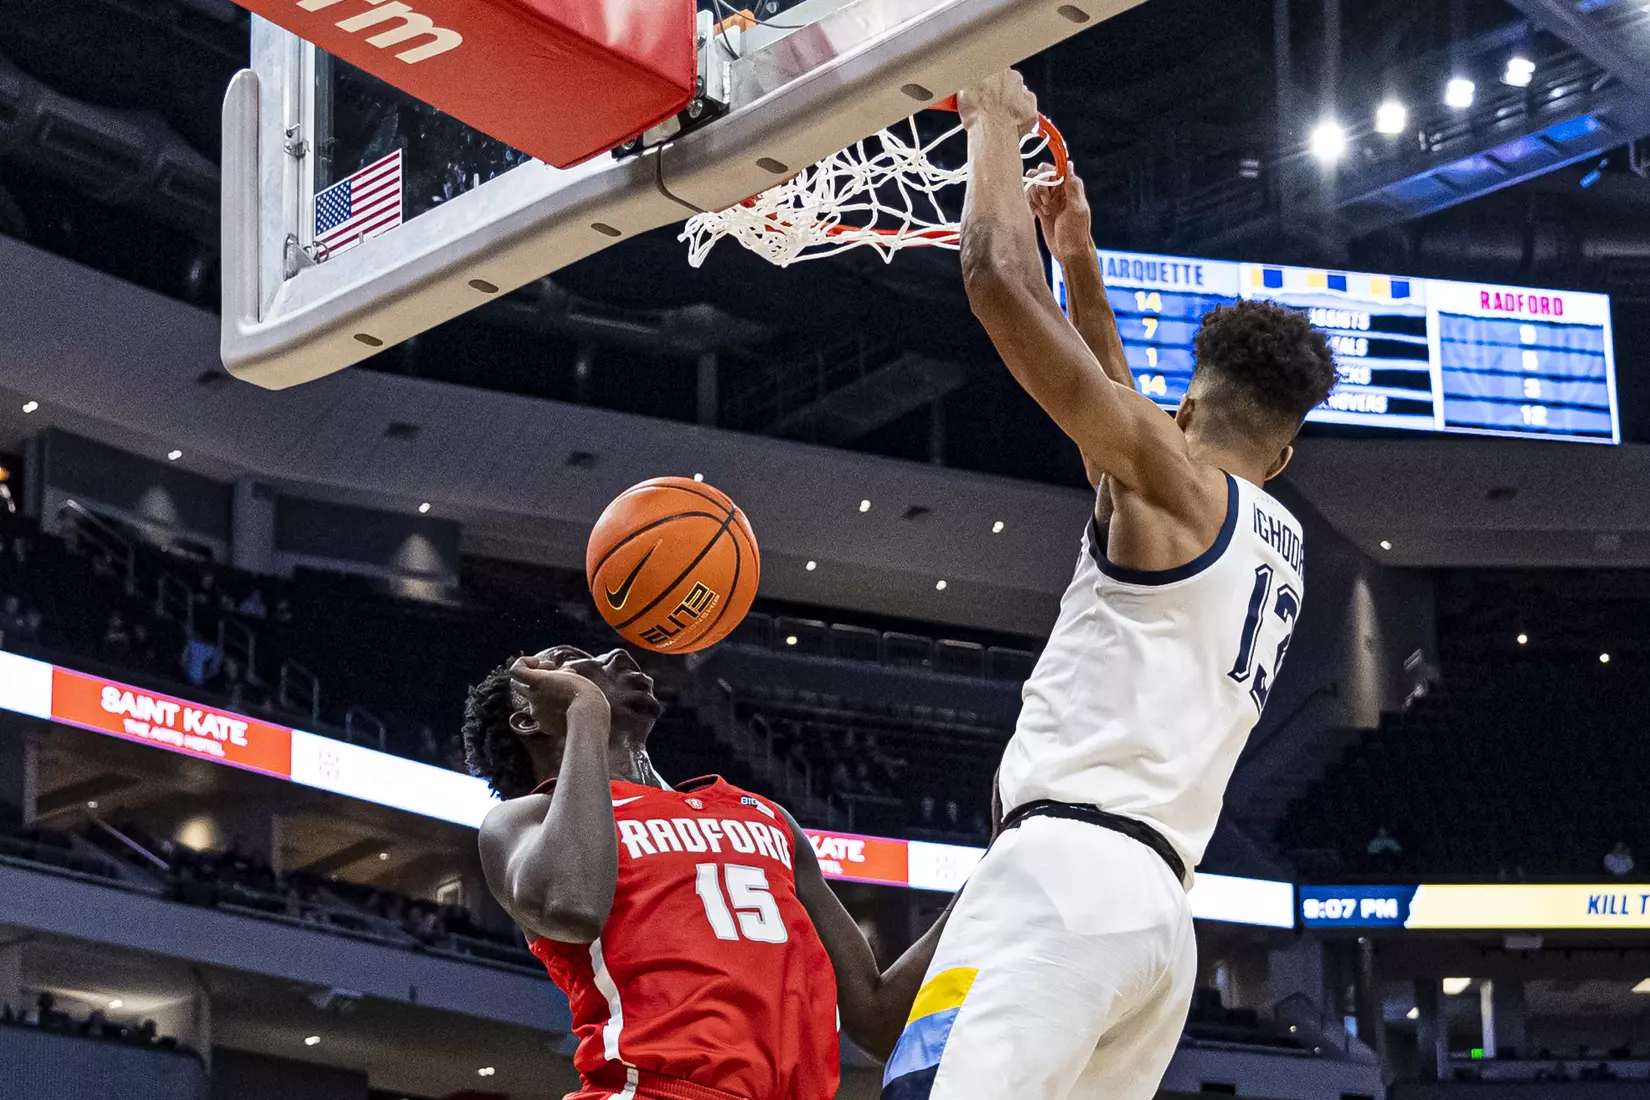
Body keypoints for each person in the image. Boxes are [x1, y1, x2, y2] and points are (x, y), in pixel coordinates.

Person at [879, 71, 1338, 1100]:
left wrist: (995, 124)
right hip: (1160, 926)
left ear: (1184, 407)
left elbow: (994, 279)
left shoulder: (1166, 470)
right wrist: (1078, 257)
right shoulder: (1278, 537)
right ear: (1287, 450)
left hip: (1059, 883)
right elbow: (1120, 419)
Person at [465, 646, 952, 1100]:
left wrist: (1002, 859)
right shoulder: (525, 819)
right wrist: (584, 713)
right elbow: (570, 906)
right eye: (574, 661)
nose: (614, 654)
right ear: (531, 716)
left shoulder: (766, 816)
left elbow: (879, 1019)